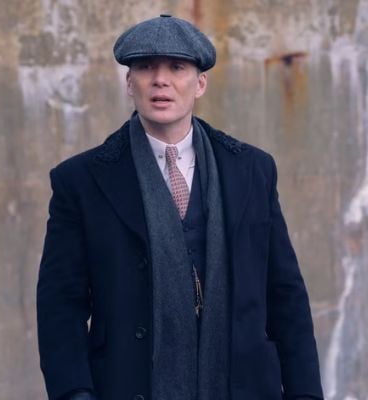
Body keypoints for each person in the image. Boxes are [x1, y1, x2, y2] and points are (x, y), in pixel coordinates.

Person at [36, 14, 324, 400]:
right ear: (129, 82)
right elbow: (60, 304)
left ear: (200, 83)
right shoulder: (81, 181)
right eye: (145, 67)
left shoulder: (252, 170)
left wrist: (305, 393)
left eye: (177, 67)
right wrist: (75, 395)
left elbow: (285, 294)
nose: (161, 80)